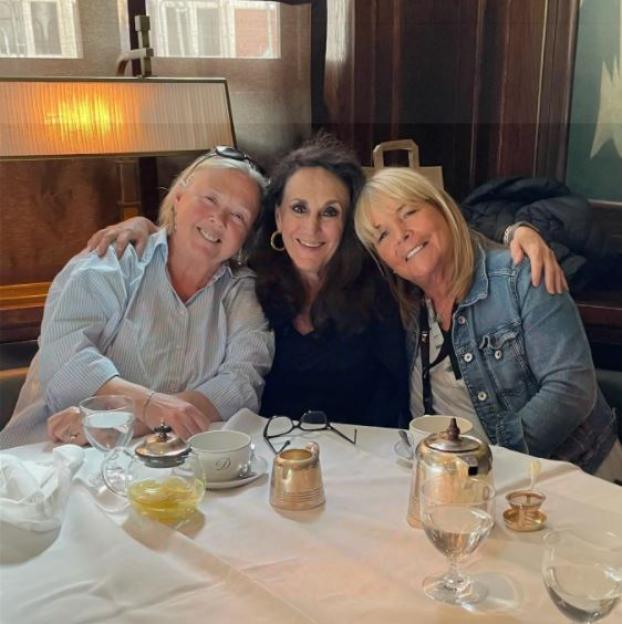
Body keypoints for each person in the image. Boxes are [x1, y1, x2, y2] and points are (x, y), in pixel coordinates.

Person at [84, 135, 565, 430]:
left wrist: (517, 231)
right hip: (268, 472)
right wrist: (150, 227)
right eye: (298, 209)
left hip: (367, 473)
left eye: (330, 213)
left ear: (350, 220)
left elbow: (443, 231)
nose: (311, 230)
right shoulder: (245, 283)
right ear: (276, 215)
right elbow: (198, 235)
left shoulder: (385, 278)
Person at [354, 167, 621, 478]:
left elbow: (571, 387)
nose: (401, 234)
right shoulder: (408, 310)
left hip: (570, 481)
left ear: (442, 208)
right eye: (383, 234)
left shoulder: (520, 274)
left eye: (409, 212)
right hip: (465, 489)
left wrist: (487, 466)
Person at [0, 150, 274, 449]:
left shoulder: (242, 293)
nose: (218, 219)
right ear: (178, 197)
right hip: (48, 457)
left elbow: (240, 383)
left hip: (168, 466)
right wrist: (149, 405)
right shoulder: (113, 259)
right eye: (210, 198)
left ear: (246, 237)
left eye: (238, 215)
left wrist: (125, 421)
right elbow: (65, 357)